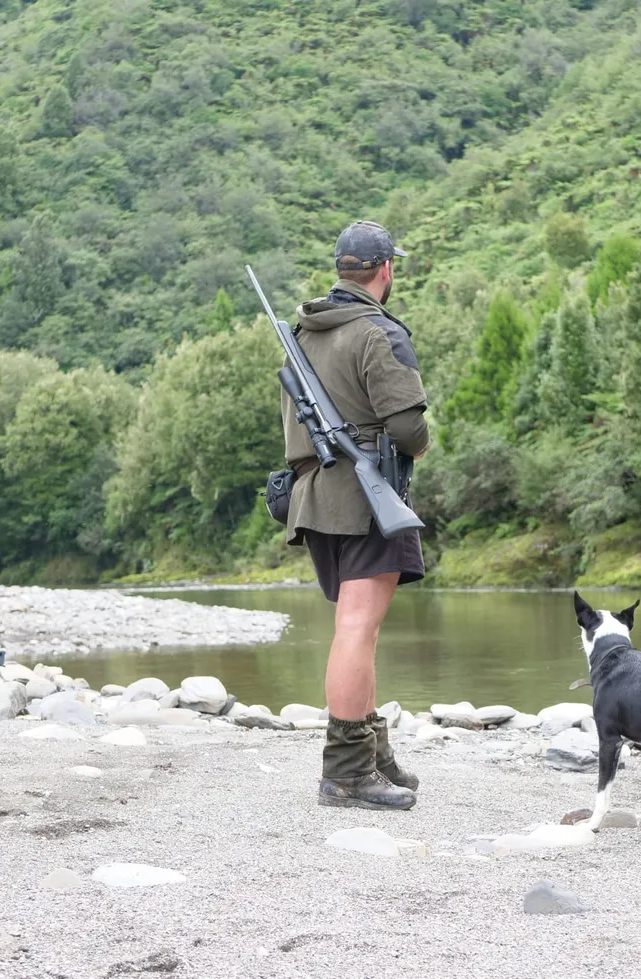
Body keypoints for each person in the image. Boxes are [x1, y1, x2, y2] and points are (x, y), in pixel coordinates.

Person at [280, 220, 429, 811]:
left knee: (357, 631)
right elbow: (409, 430)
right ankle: (345, 771)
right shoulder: (376, 332)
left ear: (342, 269)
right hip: (367, 501)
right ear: (385, 270)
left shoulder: (304, 334)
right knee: (357, 630)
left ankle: (371, 756)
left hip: (315, 498)